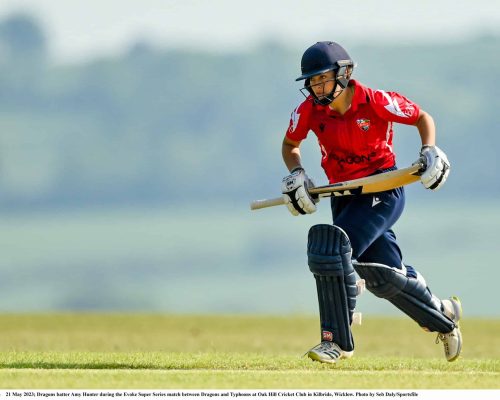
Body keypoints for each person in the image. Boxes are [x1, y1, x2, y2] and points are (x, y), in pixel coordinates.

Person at [280, 41, 462, 364]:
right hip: (343, 195)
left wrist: (429, 150)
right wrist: (298, 174)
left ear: (344, 73)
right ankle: (443, 316)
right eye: (312, 81)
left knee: (332, 248)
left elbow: (422, 117)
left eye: (323, 78)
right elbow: (290, 144)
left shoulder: (375, 101)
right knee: (385, 276)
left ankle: (336, 341)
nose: (317, 87)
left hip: (383, 189)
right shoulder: (309, 111)